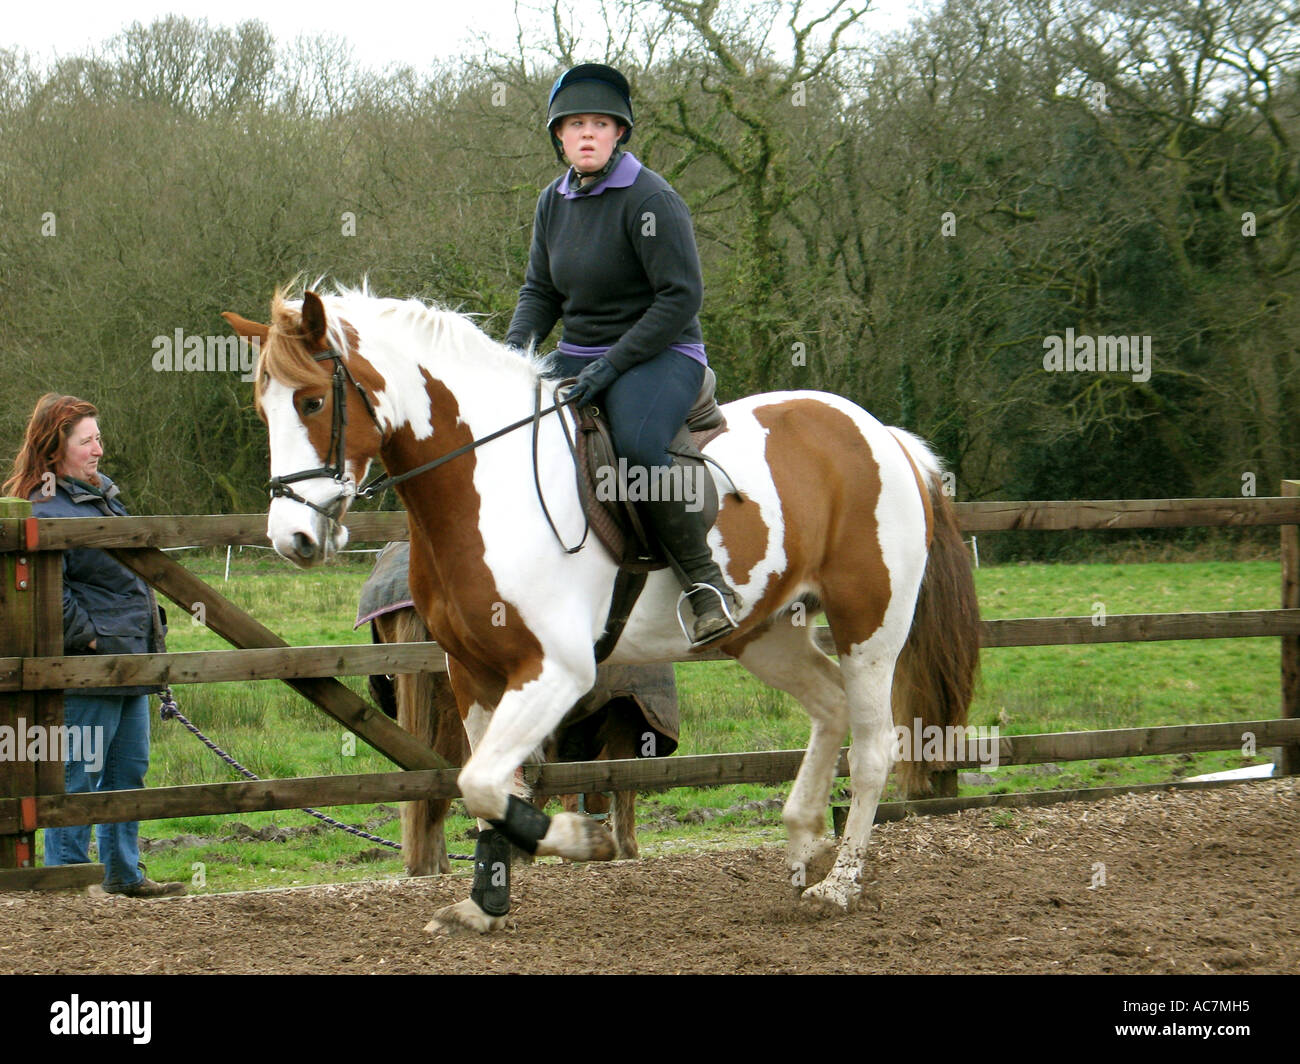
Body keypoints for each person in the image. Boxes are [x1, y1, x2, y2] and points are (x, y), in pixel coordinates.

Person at [505, 62, 740, 646]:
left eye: (600, 125)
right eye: (575, 124)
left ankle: (705, 585)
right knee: (509, 426)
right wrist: (509, 361)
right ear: (558, 136)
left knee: (635, 447)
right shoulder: (550, 203)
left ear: (619, 134)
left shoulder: (651, 198)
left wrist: (610, 366)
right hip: (580, 352)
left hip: (662, 352)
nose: (587, 134)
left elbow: (680, 297)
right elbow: (540, 291)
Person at [3, 394, 186, 897]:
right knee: (77, 776)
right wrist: (90, 638)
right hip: (88, 667)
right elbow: (48, 593)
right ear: (54, 447)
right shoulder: (46, 507)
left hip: (132, 658)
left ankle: (122, 875)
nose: (98, 449)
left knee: (128, 772)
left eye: (98, 438)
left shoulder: (102, 496)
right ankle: (65, 881)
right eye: (87, 441)